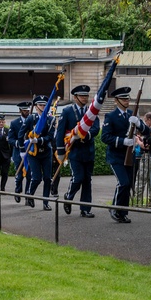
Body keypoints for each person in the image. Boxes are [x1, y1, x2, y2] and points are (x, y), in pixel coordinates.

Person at [101, 87, 148, 223]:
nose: (126, 101)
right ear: (116, 101)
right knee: (123, 183)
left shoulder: (131, 115)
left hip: (129, 155)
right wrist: (123, 141)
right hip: (116, 156)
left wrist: (139, 123)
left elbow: (147, 130)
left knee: (128, 185)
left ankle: (123, 213)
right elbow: (105, 137)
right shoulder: (111, 116)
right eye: (123, 99)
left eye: (127, 98)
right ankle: (114, 208)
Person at [54, 85, 100, 217]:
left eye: (86, 96)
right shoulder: (67, 111)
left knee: (87, 180)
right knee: (78, 177)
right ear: (75, 97)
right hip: (74, 151)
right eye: (82, 96)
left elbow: (96, 128)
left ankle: (85, 208)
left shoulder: (91, 112)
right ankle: (69, 196)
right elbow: (60, 132)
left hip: (88, 150)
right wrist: (61, 152)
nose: (85, 98)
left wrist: (86, 135)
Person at [21, 97, 55, 209]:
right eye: (40, 105)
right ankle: (30, 195)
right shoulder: (31, 118)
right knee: (36, 178)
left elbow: (50, 136)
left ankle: (46, 202)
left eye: (45, 105)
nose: (43, 107)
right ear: (36, 107)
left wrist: (39, 140)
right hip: (33, 153)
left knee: (47, 178)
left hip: (46, 152)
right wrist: (22, 148)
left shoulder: (50, 120)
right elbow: (21, 133)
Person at [9, 102, 32, 203]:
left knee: (29, 175)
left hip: (30, 152)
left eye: (27, 110)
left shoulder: (32, 122)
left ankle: (28, 195)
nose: (26, 112)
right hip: (18, 153)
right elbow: (10, 139)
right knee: (19, 175)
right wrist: (19, 143)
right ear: (20, 111)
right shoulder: (14, 123)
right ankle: (18, 191)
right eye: (24, 110)